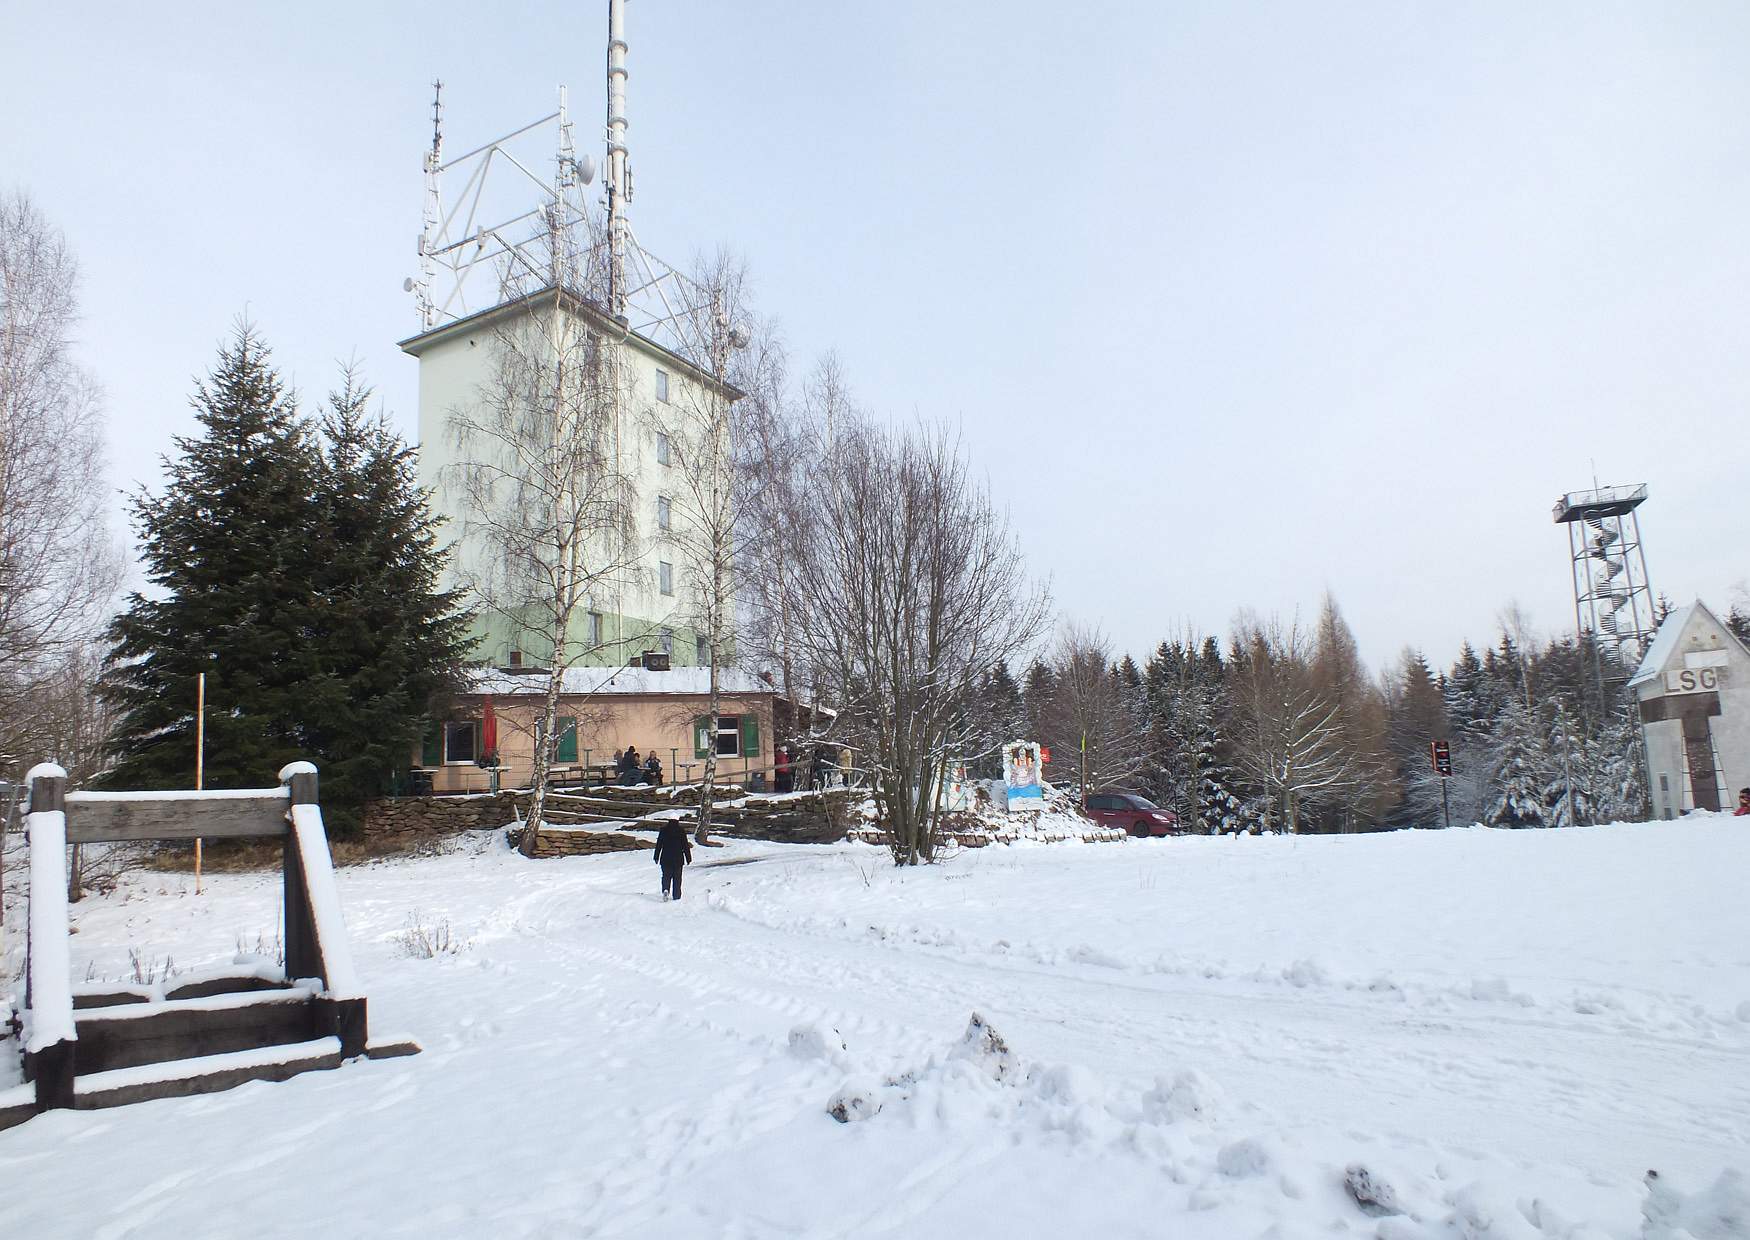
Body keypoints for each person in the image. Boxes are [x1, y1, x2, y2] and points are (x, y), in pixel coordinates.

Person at [654, 819, 692, 900]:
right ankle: (676, 895)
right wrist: (688, 858)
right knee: (677, 878)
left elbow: (659, 844)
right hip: (678, 858)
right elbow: (685, 845)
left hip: (665, 858)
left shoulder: (663, 830)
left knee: (666, 876)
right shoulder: (681, 830)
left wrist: (656, 856)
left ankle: (665, 889)